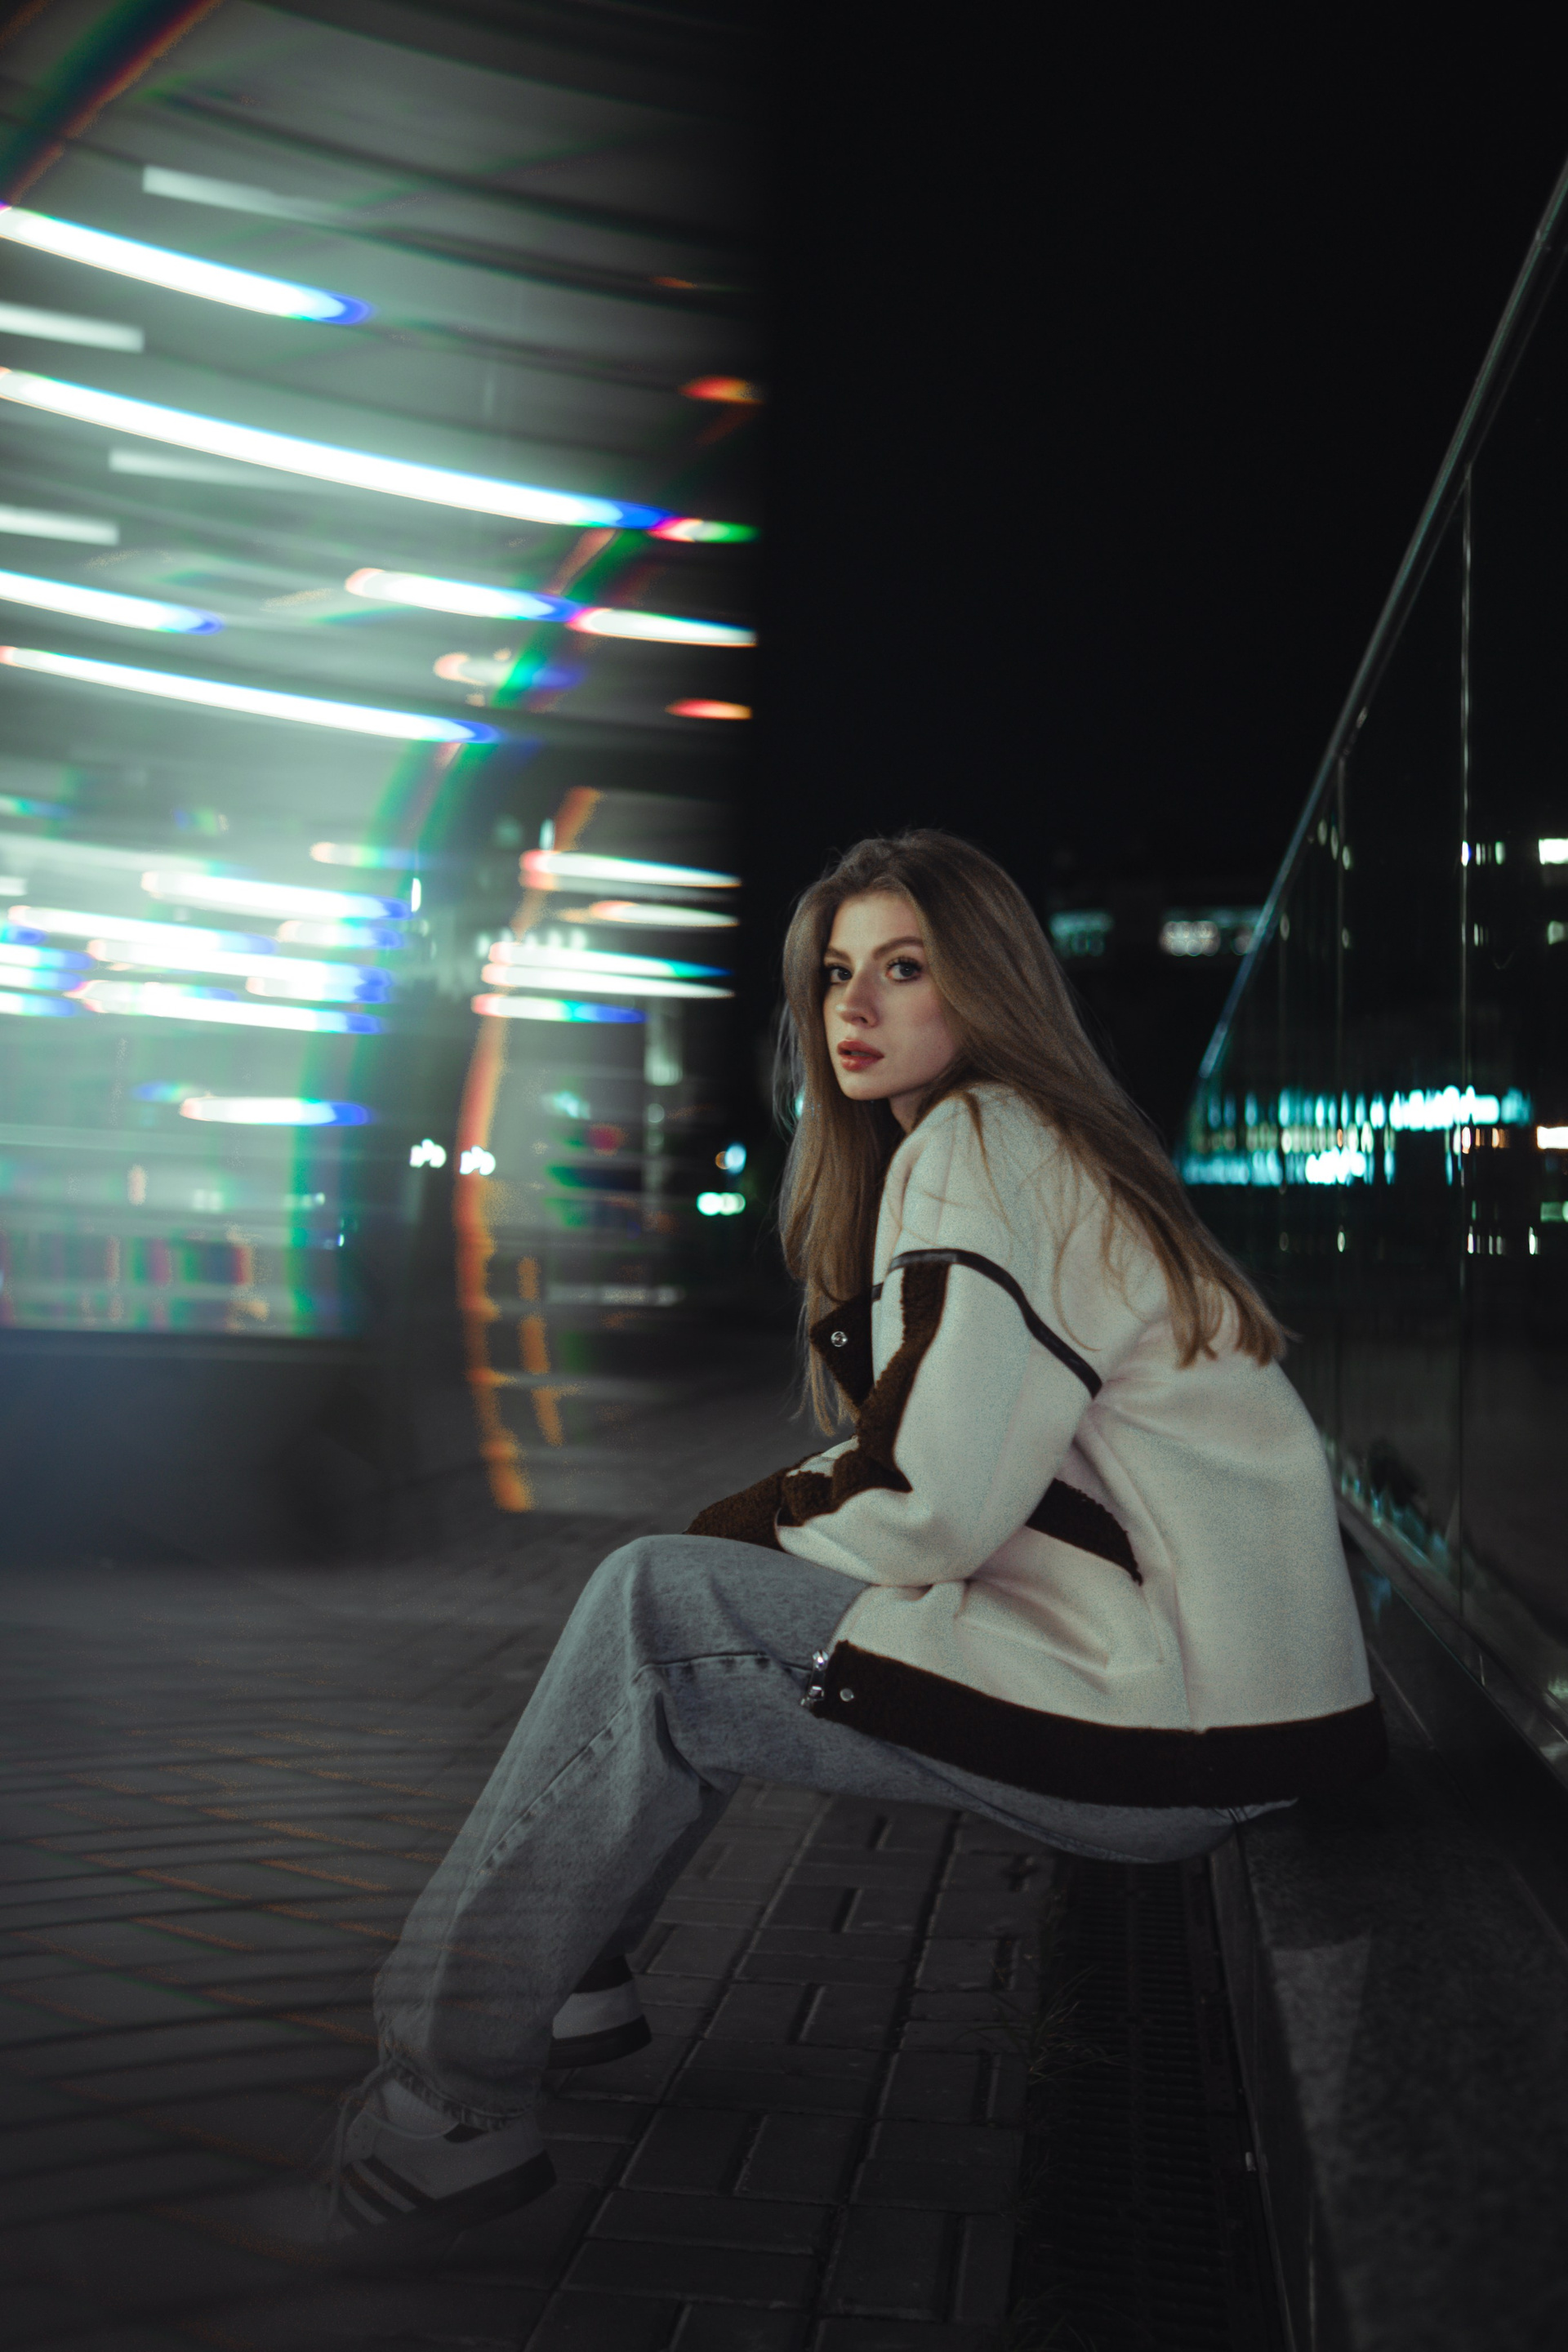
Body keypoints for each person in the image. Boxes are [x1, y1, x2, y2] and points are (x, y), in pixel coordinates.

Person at [318, 830, 1383, 2261]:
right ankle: (567, 1977)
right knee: (686, 1610)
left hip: (1179, 1717)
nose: (855, 1008)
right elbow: (946, 1447)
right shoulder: (1032, 1144)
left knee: (656, 1609)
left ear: (986, 987)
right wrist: (748, 1534)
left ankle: (444, 2105)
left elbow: (935, 1501)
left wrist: (733, 1537)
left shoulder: (981, 1143)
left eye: (905, 968)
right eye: (834, 974)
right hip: (1242, 1705)